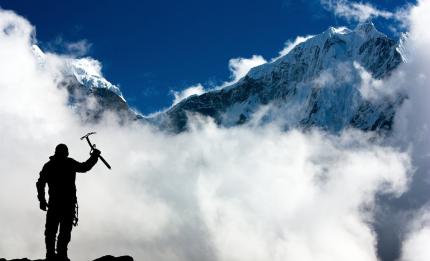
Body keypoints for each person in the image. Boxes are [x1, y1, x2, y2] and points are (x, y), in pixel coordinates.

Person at [36, 144, 100, 261]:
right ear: (66, 153)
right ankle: (60, 255)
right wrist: (94, 156)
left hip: (56, 204)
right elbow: (84, 167)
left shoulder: (50, 165)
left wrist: (42, 200)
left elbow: (40, 183)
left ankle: (53, 255)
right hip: (65, 204)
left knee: (53, 231)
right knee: (62, 231)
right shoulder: (68, 163)